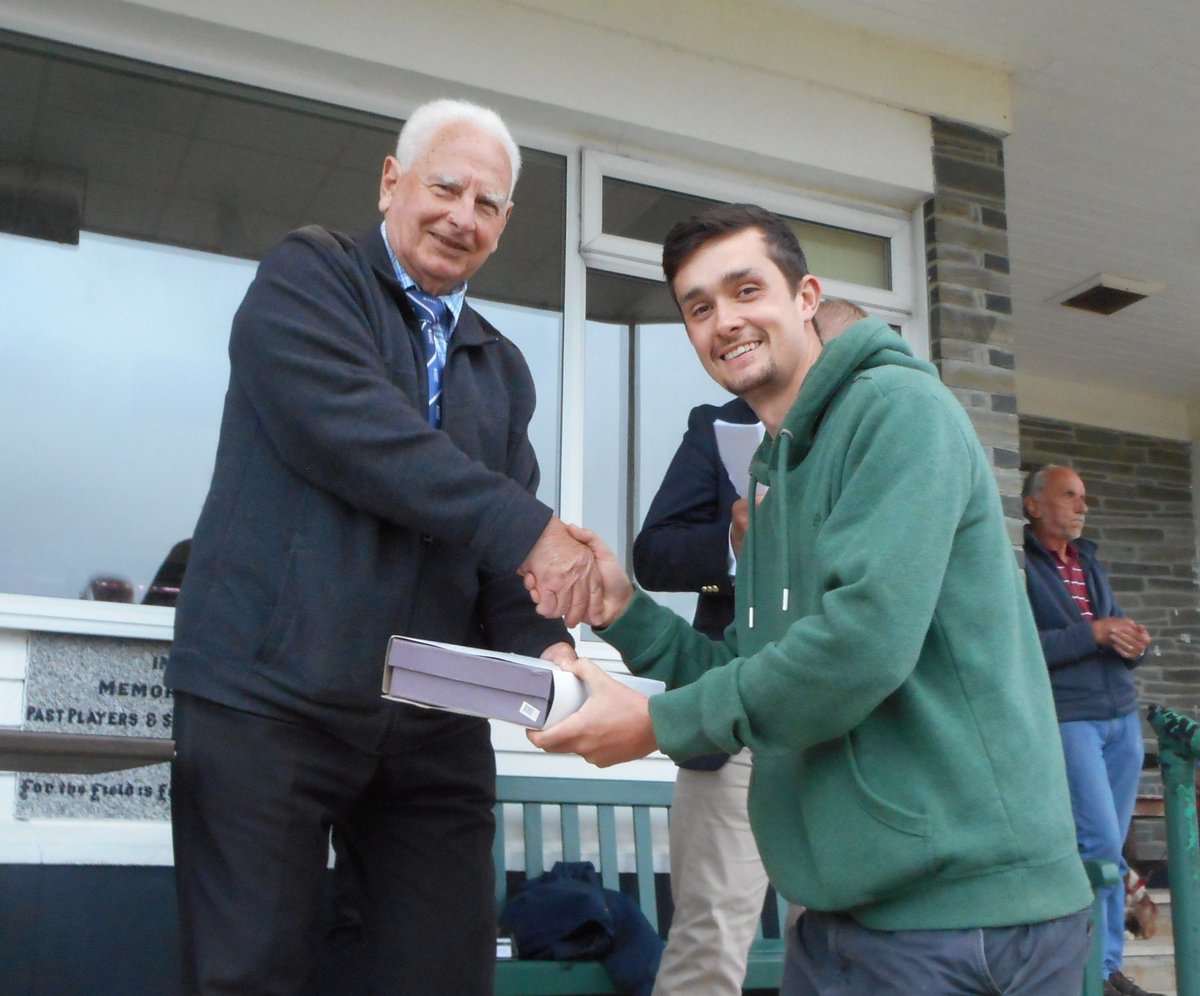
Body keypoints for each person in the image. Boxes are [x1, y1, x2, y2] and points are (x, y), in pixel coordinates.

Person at [531, 203, 1094, 994]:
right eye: (699, 307)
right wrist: (625, 611)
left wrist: (655, 725)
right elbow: (748, 667)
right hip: (840, 916)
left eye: (746, 289)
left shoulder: (899, 411)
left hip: (962, 920)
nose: (723, 321)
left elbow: (858, 646)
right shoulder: (774, 474)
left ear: (805, 297)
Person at [165, 97, 601, 996]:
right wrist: (531, 530)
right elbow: (363, 439)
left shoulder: (500, 364)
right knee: (248, 975)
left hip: (431, 716)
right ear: (391, 182)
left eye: (487, 205)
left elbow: (498, 545)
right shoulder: (307, 278)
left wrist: (551, 648)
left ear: (506, 224)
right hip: (268, 696)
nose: (462, 217)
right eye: (446, 188)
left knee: (442, 971)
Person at [631, 298, 867, 995]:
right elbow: (656, 554)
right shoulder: (718, 429)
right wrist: (732, 550)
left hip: (844, 729)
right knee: (709, 934)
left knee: (845, 942)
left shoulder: (881, 440)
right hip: (734, 721)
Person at [1022, 465, 1161, 996]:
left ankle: (1106, 966)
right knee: (1100, 844)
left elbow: (1113, 628)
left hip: (1121, 717)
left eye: (1084, 497)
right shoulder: (1021, 567)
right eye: (1070, 496)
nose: (1082, 506)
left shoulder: (1089, 561)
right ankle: (1090, 970)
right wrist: (1094, 633)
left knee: (1108, 851)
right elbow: (1022, 646)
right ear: (1034, 506)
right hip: (1071, 717)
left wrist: (1135, 642)